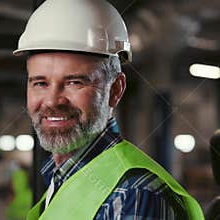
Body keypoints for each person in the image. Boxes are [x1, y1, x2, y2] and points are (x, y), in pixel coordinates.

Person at [13, 0, 204, 219]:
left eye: (75, 82)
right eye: (40, 83)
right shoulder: (63, 182)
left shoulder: (132, 196)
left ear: (115, 89)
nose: (52, 101)